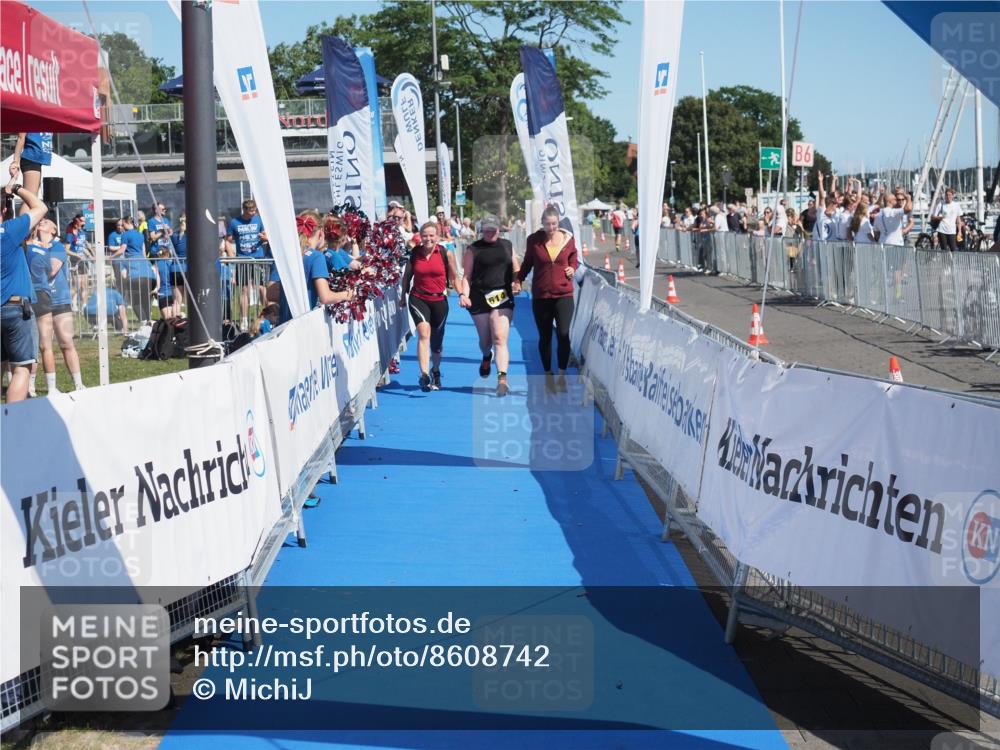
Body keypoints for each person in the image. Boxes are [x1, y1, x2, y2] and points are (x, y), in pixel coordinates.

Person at [515, 205, 578, 392]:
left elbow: (574, 258)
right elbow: (527, 263)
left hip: (564, 294)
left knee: (563, 334)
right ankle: (548, 375)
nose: (551, 228)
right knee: (545, 336)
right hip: (541, 295)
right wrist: (518, 280)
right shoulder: (534, 240)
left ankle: (562, 375)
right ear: (542, 224)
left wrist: (572, 267)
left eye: (554, 224)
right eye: (548, 224)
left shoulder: (568, 239)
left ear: (558, 223)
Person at [459, 214, 519, 397]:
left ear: (499, 230)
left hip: (502, 296)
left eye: (493, 230)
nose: (490, 233)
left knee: (499, 337)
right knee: (485, 341)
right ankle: (487, 355)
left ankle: (502, 380)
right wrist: (464, 295)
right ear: (481, 230)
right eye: (486, 230)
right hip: (479, 297)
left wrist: (517, 282)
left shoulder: (507, 245)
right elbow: (467, 276)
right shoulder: (474, 249)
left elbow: (516, 268)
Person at [400, 221, 460, 391]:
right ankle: (424, 375)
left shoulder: (445, 253)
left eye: (431, 235)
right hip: (418, 298)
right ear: (420, 236)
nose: (428, 239)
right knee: (424, 333)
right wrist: (403, 296)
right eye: (424, 235)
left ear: (437, 236)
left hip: (439, 300)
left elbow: (454, 277)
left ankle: (435, 370)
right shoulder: (415, 253)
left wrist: (462, 294)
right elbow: (407, 276)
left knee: (436, 342)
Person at [2, 180, 48, 402]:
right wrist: (16, 188)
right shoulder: (9, 232)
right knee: (21, 368)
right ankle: (12, 418)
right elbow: (40, 207)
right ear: (4, 210)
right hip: (14, 308)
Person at [27, 219, 84, 393]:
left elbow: (51, 270)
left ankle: (78, 384)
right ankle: (30, 387)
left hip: (59, 300)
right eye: (41, 221)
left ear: (53, 230)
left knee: (66, 343)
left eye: (46, 222)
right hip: (38, 299)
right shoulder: (30, 245)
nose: (41, 222)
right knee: (39, 345)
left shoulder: (57, 247)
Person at [266, 213, 355, 324]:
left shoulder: (286, 255)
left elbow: (270, 294)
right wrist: (348, 294)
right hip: (306, 323)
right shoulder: (316, 257)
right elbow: (325, 297)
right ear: (321, 232)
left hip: (285, 324)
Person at [227, 199, 268, 328]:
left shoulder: (258, 220)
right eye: (251, 211)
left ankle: (267, 316)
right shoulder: (234, 222)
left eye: (254, 210)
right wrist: (232, 256)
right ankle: (244, 319)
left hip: (258, 259)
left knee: (261, 288)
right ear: (244, 210)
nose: (253, 213)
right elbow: (228, 240)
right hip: (243, 259)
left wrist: (264, 238)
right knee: (244, 289)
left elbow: (265, 235)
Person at [120, 215, 157, 323]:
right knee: (146, 301)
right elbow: (144, 252)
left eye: (123, 224)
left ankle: (144, 322)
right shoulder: (140, 235)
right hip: (149, 275)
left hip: (135, 275)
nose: (122, 227)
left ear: (128, 223)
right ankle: (149, 322)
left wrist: (110, 257)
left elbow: (122, 249)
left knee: (135, 301)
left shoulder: (125, 235)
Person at [9, 133, 52, 214]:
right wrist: (15, 161)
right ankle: (22, 222)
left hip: (36, 160)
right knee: (29, 200)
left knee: (32, 199)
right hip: (31, 158)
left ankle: (27, 221)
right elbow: (21, 137)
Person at [931, 188, 963, 253]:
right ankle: (945, 259)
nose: (948, 197)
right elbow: (933, 217)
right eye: (947, 195)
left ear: (953, 196)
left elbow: (958, 220)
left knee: (953, 249)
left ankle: (952, 259)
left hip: (952, 230)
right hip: (942, 230)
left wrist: (959, 231)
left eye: (950, 195)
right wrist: (939, 218)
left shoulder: (956, 205)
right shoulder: (941, 204)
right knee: (944, 250)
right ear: (945, 196)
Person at [171, 213, 187, 318]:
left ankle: (174, 323)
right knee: (193, 299)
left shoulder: (174, 235)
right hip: (188, 268)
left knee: (176, 301)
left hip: (175, 268)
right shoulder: (193, 234)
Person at [153, 248, 175, 321]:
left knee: (168, 320)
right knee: (173, 319)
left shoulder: (156, 265)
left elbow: (155, 281)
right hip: (172, 293)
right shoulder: (171, 264)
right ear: (168, 254)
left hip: (162, 293)